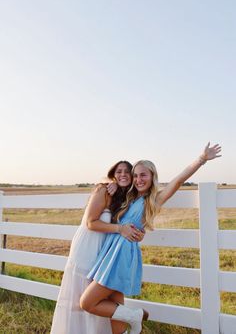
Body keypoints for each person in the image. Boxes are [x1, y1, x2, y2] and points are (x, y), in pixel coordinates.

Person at [80, 143, 222, 334]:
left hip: (122, 255)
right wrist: (110, 182)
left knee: (87, 302)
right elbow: (116, 181)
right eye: (136, 175)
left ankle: (135, 315)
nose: (138, 179)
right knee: (117, 318)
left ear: (152, 177)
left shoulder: (153, 200)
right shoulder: (128, 198)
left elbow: (178, 180)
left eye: (143, 175)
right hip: (111, 253)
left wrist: (201, 159)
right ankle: (131, 317)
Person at [50, 161, 144, 334]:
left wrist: (138, 233)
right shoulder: (104, 190)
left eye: (127, 172)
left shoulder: (125, 198)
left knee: (107, 297)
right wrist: (120, 229)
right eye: (118, 171)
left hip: (106, 254)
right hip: (87, 248)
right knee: (79, 298)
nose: (123, 174)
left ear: (132, 177)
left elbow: (134, 220)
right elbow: (91, 222)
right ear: (113, 174)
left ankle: (126, 322)